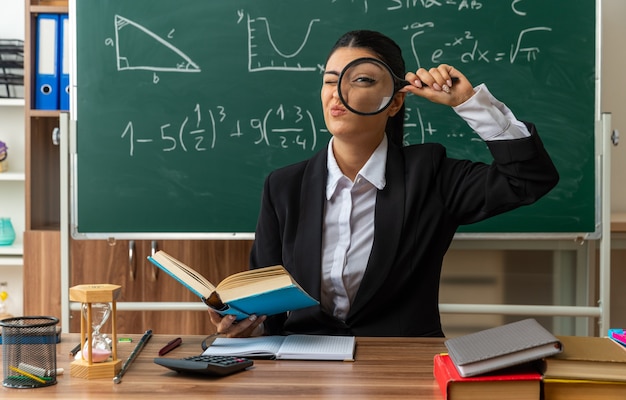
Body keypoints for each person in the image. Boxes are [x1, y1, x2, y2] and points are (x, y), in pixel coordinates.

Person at [208, 30, 559, 338]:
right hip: (304, 361)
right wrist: (239, 323)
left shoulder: (430, 174)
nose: (337, 93)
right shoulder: (284, 186)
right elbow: (262, 296)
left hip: (402, 362)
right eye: (330, 80)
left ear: (395, 101)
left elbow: (528, 179)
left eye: (360, 80)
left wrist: (468, 104)